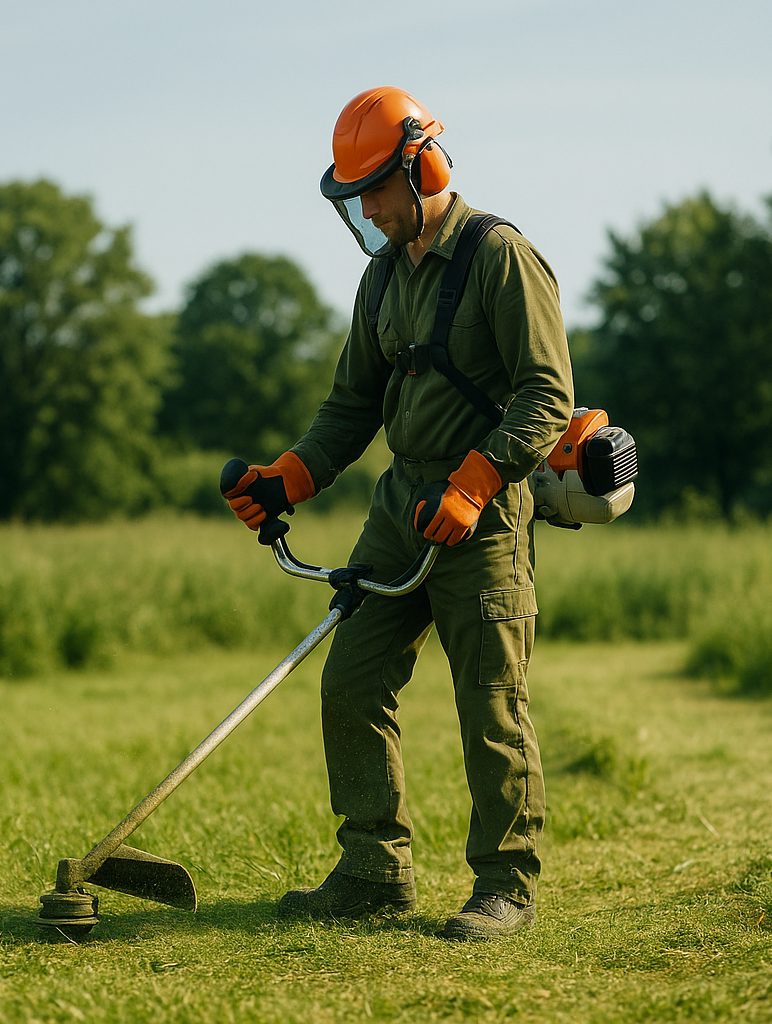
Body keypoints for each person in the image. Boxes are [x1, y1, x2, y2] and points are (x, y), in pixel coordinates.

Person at [222, 87, 574, 941]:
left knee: (490, 699)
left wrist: (481, 480)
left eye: (378, 188)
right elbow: (352, 405)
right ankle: (375, 870)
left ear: (426, 165)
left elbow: (547, 395)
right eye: (357, 195)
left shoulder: (501, 257)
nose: (369, 209)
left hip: (482, 516)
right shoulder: (380, 276)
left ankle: (506, 887)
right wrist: (290, 479)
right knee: (351, 679)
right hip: (400, 506)